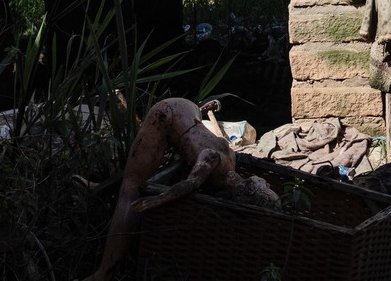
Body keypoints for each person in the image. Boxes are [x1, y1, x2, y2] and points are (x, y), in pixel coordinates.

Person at [85, 97, 278, 281]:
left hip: (189, 110)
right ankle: (104, 273)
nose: (265, 183)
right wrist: (157, 199)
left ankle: (99, 188)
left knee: (141, 168)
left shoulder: (231, 159)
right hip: (167, 113)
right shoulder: (213, 159)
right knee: (132, 187)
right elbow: (190, 183)